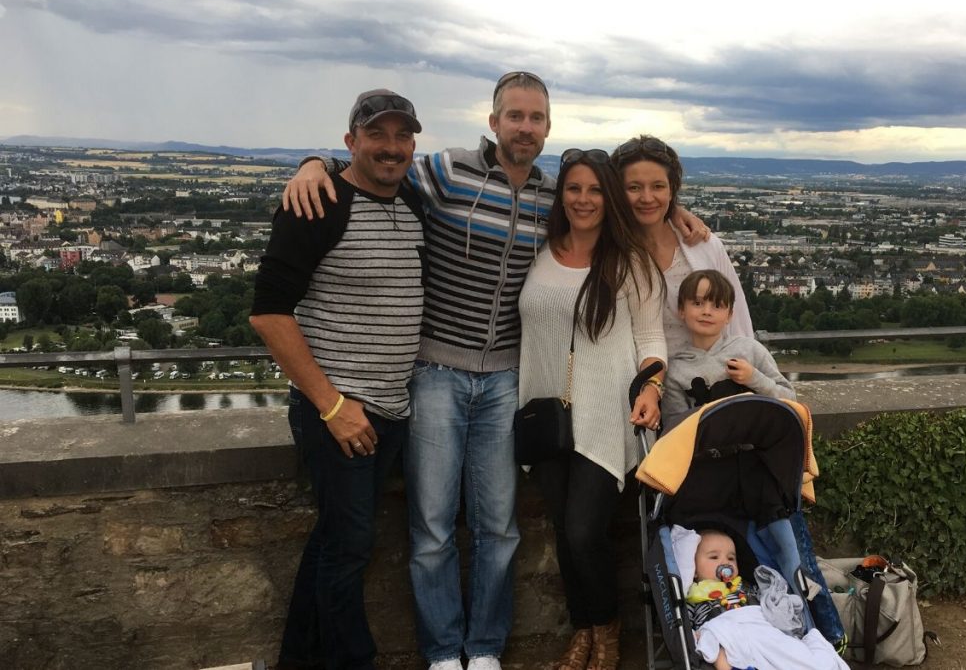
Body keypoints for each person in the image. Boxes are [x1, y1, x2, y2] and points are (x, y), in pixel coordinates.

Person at [280, 74, 708, 670]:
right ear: (494, 121)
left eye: (536, 118)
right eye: (515, 116)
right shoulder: (448, 171)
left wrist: (673, 211)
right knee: (431, 527)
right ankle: (441, 653)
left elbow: (609, 204)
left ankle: (483, 649)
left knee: (501, 528)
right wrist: (314, 164)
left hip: (509, 381)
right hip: (435, 372)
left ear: (548, 128)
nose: (525, 128)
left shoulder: (552, 196)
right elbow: (377, 165)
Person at [249, 89, 426, 670]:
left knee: (334, 543)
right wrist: (331, 406)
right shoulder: (319, 204)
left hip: (391, 409)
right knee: (350, 549)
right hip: (340, 412)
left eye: (402, 136)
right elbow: (270, 313)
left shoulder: (413, 203)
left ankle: (297, 660)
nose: (392, 147)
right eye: (378, 134)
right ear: (351, 141)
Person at [518, 148, 667, 670]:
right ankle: (582, 630)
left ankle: (606, 633)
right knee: (564, 530)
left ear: (610, 198)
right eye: (574, 189)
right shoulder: (538, 249)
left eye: (596, 190)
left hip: (606, 418)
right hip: (545, 416)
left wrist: (650, 388)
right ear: (562, 195)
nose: (584, 200)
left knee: (585, 531)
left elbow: (651, 338)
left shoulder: (629, 261)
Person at [609, 135, 753, 359]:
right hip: (638, 387)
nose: (647, 198)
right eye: (634, 187)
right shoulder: (607, 252)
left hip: (709, 385)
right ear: (617, 192)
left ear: (671, 190)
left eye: (658, 186)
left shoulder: (705, 246)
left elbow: (739, 324)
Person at [684, 530, 849, 670]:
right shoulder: (692, 596)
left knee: (788, 648)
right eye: (714, 557)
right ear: (694, 569)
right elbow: (687, 627)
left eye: (731, 558)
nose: (725, 563)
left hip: (757, 624)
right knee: (714, 641)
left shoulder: (744, 586)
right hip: (722, 627)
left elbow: (769, 604)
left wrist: (777, 602)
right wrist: (696, 635)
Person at [661, 269, 794, 432]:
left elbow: (790, 400)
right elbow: (673, 430)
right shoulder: (675, 371)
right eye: (698, 303)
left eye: (717, 305)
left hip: (755, 452)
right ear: (681, 310)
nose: (707, 312)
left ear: (729, 315)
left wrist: (754, 377)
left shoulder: (750, 350)